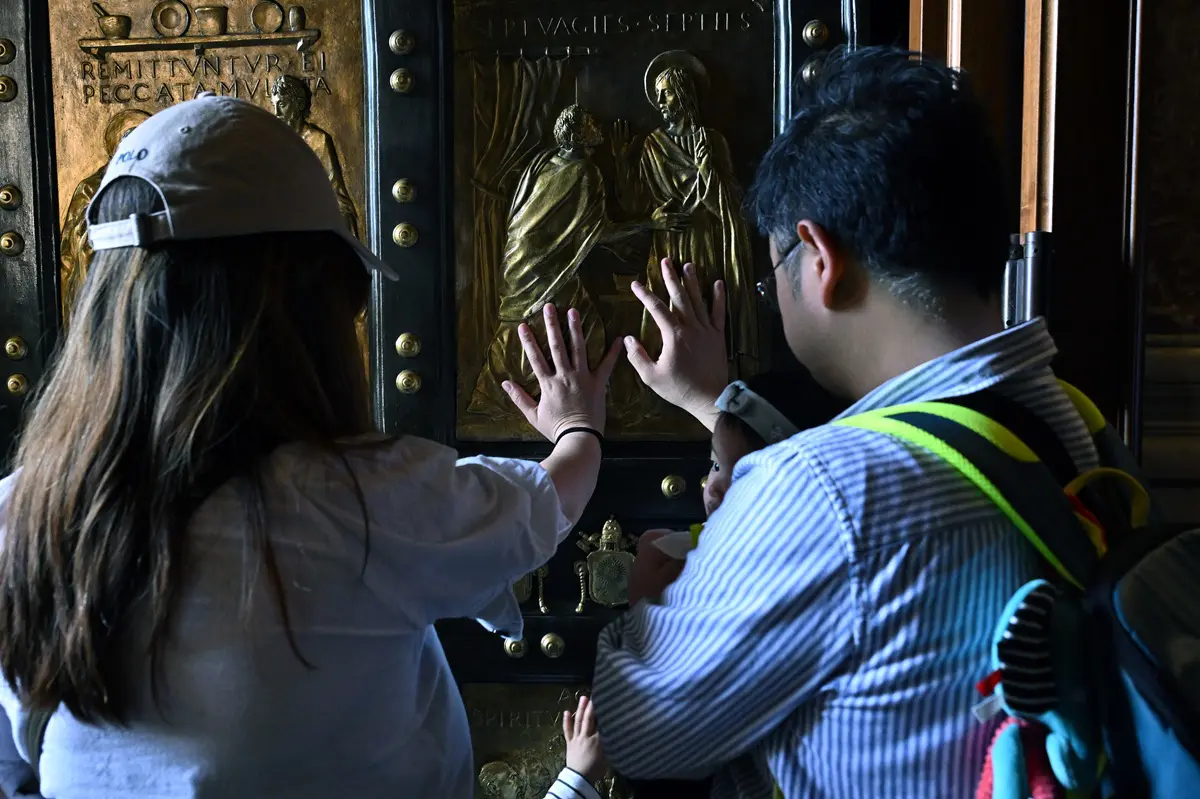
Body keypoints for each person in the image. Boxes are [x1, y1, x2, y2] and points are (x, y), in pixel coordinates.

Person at [0, 94, 619, 799]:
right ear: (309, 307)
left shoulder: (22, 520)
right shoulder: (367, 501)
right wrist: (578, 426)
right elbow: (549, 504)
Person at [592, 46, 1092, 798]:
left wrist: (647, 605)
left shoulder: (821, 492)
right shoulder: (1070, 421)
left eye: (774, 275)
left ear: (820, 258)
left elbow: (636, 728)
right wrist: (718, 403)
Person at [467, 104, 685, 420]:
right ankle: (577, 403)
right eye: (591, 124)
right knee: (579, 327)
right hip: (547, 271)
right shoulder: (585, 173)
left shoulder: (543, 161)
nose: (598, 127)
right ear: (580, 133)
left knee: (532, 329)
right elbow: (599, 232)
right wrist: (650, 223)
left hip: (519, 262)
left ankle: (502, 394)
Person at [612, 51, 758, 378]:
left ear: (683, 93)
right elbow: (635, 204)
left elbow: (731, 203)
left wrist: (707, 172)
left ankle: (710, 378)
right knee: (664, 317)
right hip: (668, 245)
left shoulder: (712, 141)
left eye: (666, 93)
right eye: (658, 95)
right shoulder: (653, 145)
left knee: (705, 309)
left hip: (707, 243)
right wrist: (622, 162)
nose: (660, 101)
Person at [58, 108, 150, 323]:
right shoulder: (91, 187)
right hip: (102, 275)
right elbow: (73, 245)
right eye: (128, 139)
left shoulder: (159, 181)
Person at [270, 74, 359, 238]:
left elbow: (336, 194)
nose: (277, 113)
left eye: (282, 104)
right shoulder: (273, 142)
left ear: (299, 104)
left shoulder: (319, 141)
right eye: (274, 105)